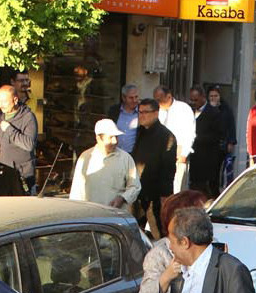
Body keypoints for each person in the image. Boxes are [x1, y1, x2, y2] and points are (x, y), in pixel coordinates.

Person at [69, 119, 141, 209]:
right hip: (90, 213)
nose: (115, 141)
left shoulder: (125, 158)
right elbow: (76, 191)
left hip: (116, 214)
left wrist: (122, 198)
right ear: (99, 138)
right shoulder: (86, 158)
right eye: (110, 137)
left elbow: (135, 186)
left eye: (116, 137)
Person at [131, 99, 178, 235]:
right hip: (138, 190)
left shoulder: (166, 136)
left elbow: (169, 169)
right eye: (140, 112)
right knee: (135, 231)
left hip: (155, 194)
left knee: (159, 231)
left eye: (145, 112)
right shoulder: (140, 132)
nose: (141, 116)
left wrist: (165, 195)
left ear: (156, 113)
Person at [0, 84, 38, 192]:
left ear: (15, 100)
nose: (1, 105)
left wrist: (9, 130)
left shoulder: (28, 117)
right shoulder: (0, 116)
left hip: (22, 175)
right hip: (3, 173)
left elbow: (29, 144)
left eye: (4, 101)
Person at [186, 86, 227, 197]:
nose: (193, 103)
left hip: (207, 157)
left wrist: (196, 138)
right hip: (192, 157)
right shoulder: (188, 111)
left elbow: (218, 135)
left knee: (206, 189)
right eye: (191, 100)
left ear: (203, 97)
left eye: (196, 100)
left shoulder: (214, 113)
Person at [155, 85, 196, 194]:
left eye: (159, 99)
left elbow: (189, 132)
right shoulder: (156, 110)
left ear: (168, 96)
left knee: (177, 189)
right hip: (160, 154)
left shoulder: (183, 109)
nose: (157, 102)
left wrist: (184, 154)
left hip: (179, 153)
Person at [107, 84, 143, 153]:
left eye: (136, 97)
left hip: (133, 155)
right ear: (123, 98)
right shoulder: (114, 111)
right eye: (131, 98)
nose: (134, 100)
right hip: (115, 152)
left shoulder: (142, 112)